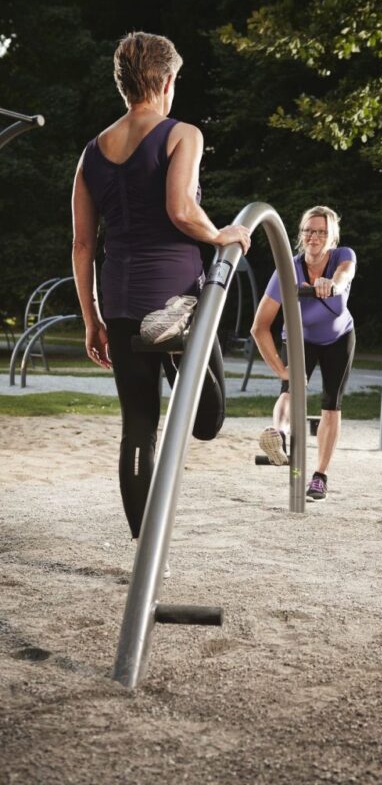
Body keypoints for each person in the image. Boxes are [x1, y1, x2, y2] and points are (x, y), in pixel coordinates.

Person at [71, 32, 251, 573]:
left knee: (138, 426)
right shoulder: (182, 134)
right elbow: (180, 209)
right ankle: (178, 342)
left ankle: (147, 555)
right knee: (207, 421)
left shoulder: (91, 152)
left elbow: (82, 245)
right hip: (178, 292)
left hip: (122, 301)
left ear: (124, 83)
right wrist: (221, 233)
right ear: (168, 81)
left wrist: (91, 319)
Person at [251, 205, 356, 501]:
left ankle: (320, 476)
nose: (314, 236)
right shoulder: (287, 271)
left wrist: (330, 284)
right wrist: (281, 370)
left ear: (331, 237)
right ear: (300, 235)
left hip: (339, 337)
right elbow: (259, 327)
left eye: (321, 231)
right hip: (300, 339)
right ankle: (278, 436)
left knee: (331, 404)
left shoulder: (342, 255)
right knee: (290, 388)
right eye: (309, 230)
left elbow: (344, 276)